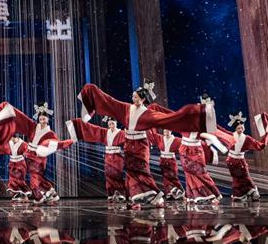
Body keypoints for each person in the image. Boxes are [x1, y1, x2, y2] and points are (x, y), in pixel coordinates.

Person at [76, 80, 216, 207]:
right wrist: (91, 91)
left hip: (140, 146)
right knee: (131, 171)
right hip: (129, 145)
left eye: (136, 97)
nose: (133, 99)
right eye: (133, 97)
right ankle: (135, 200)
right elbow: (110, 102)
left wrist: (203, 113)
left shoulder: (148, 114)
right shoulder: (126, 108)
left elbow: (170, 118)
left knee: (142, 170)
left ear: (143, 99)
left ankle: (156, 198)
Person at [66, 116, 127, 202]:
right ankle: (111, 193)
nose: (111, 126)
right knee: (109, 174)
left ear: (116, 123)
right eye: (109, 124)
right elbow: (93, 130)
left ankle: (120, 193)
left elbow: (128, 142)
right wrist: (78, 123)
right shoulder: (105, 132)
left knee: (117, 174)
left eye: (113, 124)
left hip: (117, 156)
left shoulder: (121, 133)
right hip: (108, 156)